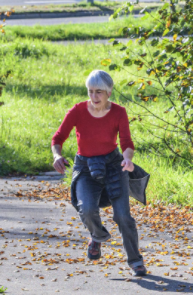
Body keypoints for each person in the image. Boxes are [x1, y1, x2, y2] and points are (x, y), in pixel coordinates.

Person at [51, 70, 147, 276]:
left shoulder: (119, 112)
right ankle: (97, 236)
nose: (94, 97)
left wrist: (128, 159)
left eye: (99, 92)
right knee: (86, 210)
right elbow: (57, 138)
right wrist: (56, 156)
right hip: (85, 167)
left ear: (109, 92)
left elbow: (127, 143)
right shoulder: (77, 111)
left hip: (114, 165)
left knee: (123, 216)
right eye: (90, 92)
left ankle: (135, 261)